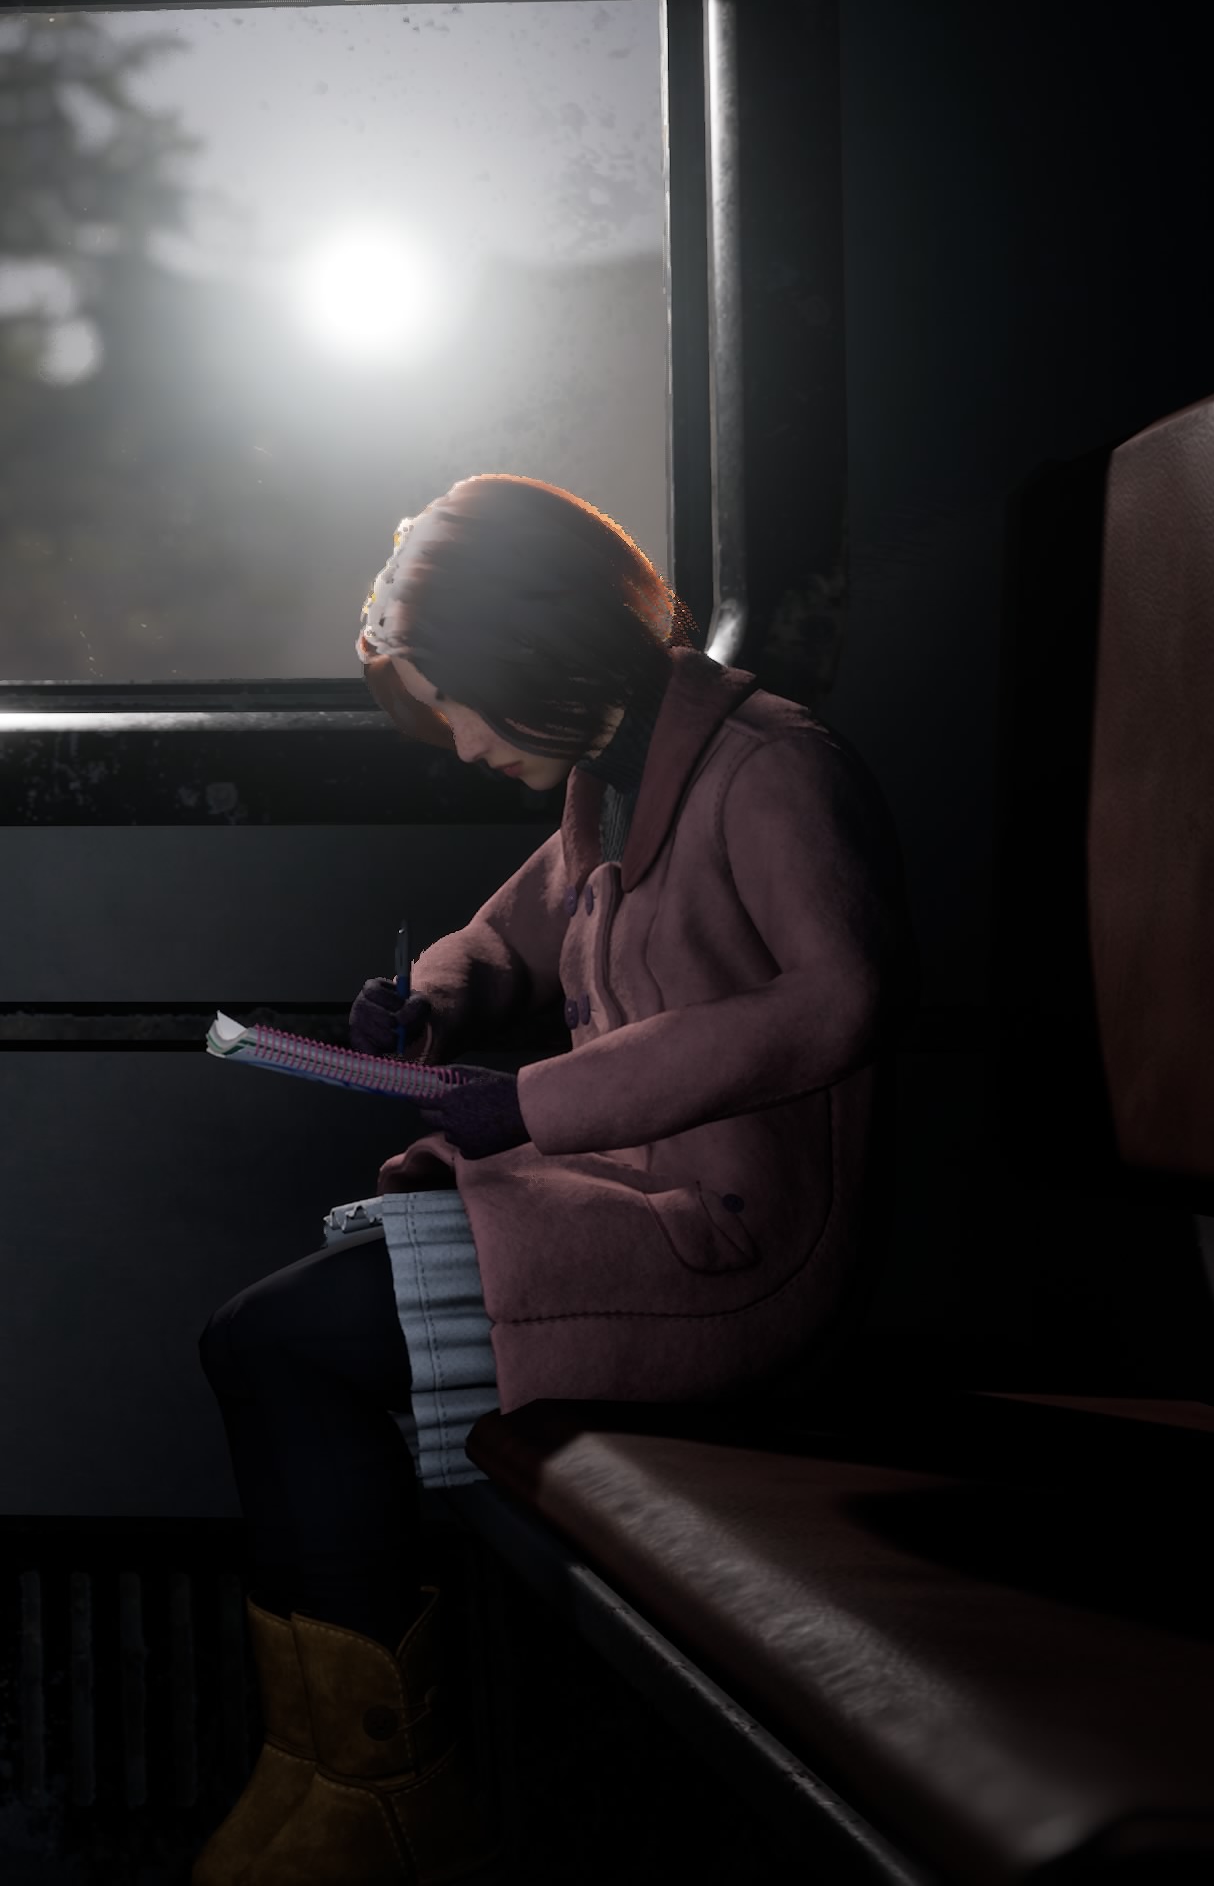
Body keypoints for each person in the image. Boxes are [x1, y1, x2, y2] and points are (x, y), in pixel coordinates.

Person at [191, 476, 900, 1886]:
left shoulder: (770, 770)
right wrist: (435, 997)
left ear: (536, 645)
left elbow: (837, 1004)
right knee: (267, 1343)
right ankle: (341, 1769)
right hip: (639, 1200)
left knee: (275, 1345)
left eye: (462, 703)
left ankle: (380, 1791)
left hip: (735, 1243)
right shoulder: (607, 780)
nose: (461, 743)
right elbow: (510, 934)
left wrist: (529, 1102)